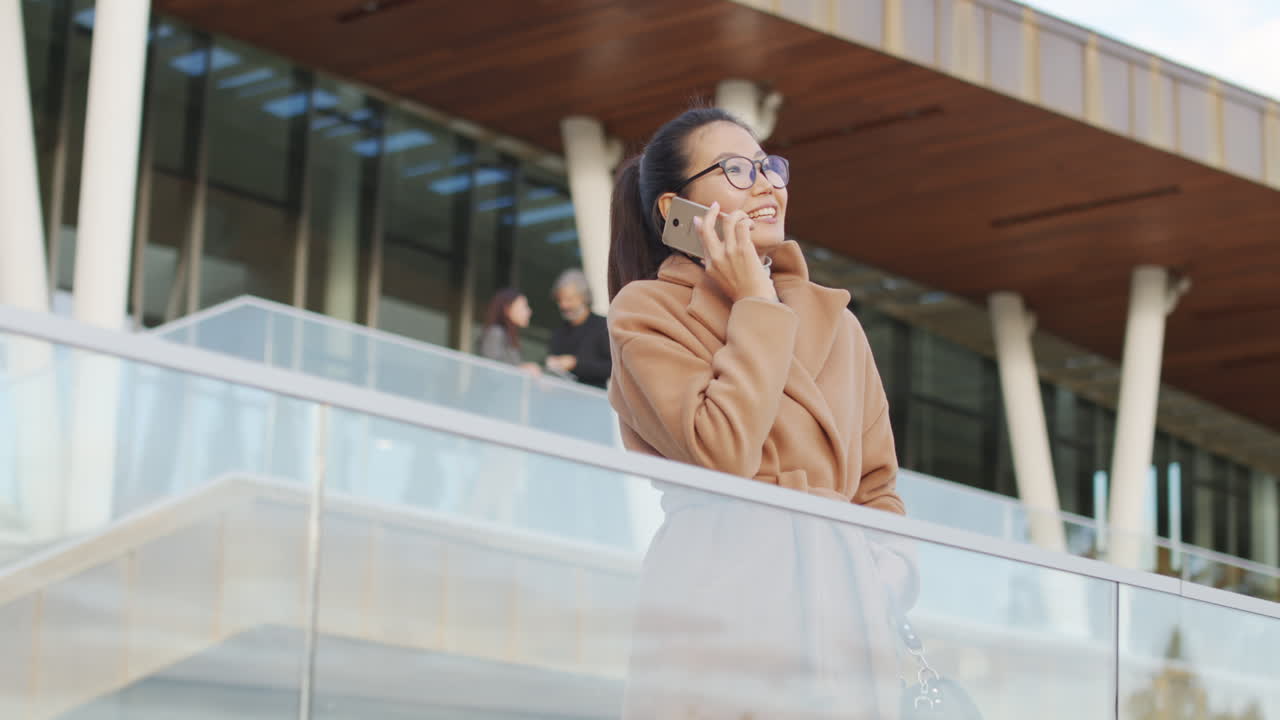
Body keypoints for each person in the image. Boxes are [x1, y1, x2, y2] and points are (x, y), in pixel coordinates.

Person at [606, 107, 918, 718]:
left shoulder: (840, 324)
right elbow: (721, 451)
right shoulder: (646, 312)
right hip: (719, 598)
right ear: (676, 207)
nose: (770, 182)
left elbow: (878, 486)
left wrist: (887, 575)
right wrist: (755, 301)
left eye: (771, 166)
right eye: (738, 170)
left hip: (844, 616)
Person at [545, 269, 612, 389]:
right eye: (560, 300)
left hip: (592, 400)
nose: (564, 305)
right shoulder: (559, 332)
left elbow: (612, 368)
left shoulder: (603, 326)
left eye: (569, 299)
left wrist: (576, 364)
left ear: (584, 298)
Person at [478, 288, 540, 376]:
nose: (529, 311)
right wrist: (522, 369)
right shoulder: (496, 332)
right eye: (524, 306)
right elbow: (491, 371)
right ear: (507, 308)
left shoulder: (509, 336)